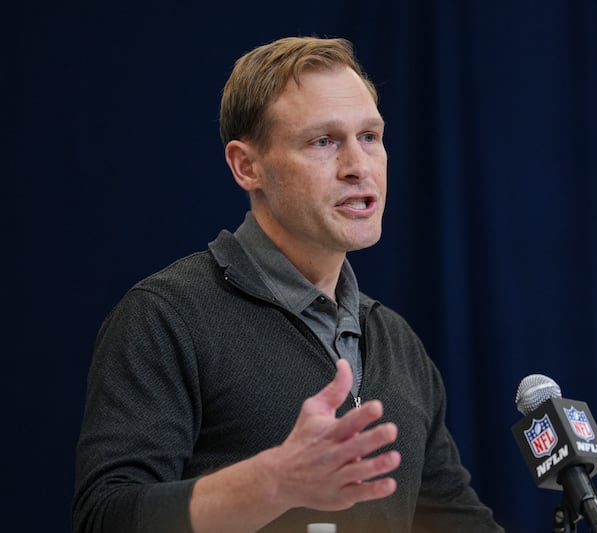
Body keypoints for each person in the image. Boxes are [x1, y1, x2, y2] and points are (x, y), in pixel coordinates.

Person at [72, 36, 504, 533]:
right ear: (247, 166)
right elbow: (104, 518)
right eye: (323, 142)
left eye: (370, 136)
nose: (358, 166)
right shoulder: (166, 317)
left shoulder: (396, 341)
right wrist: (273, 482)